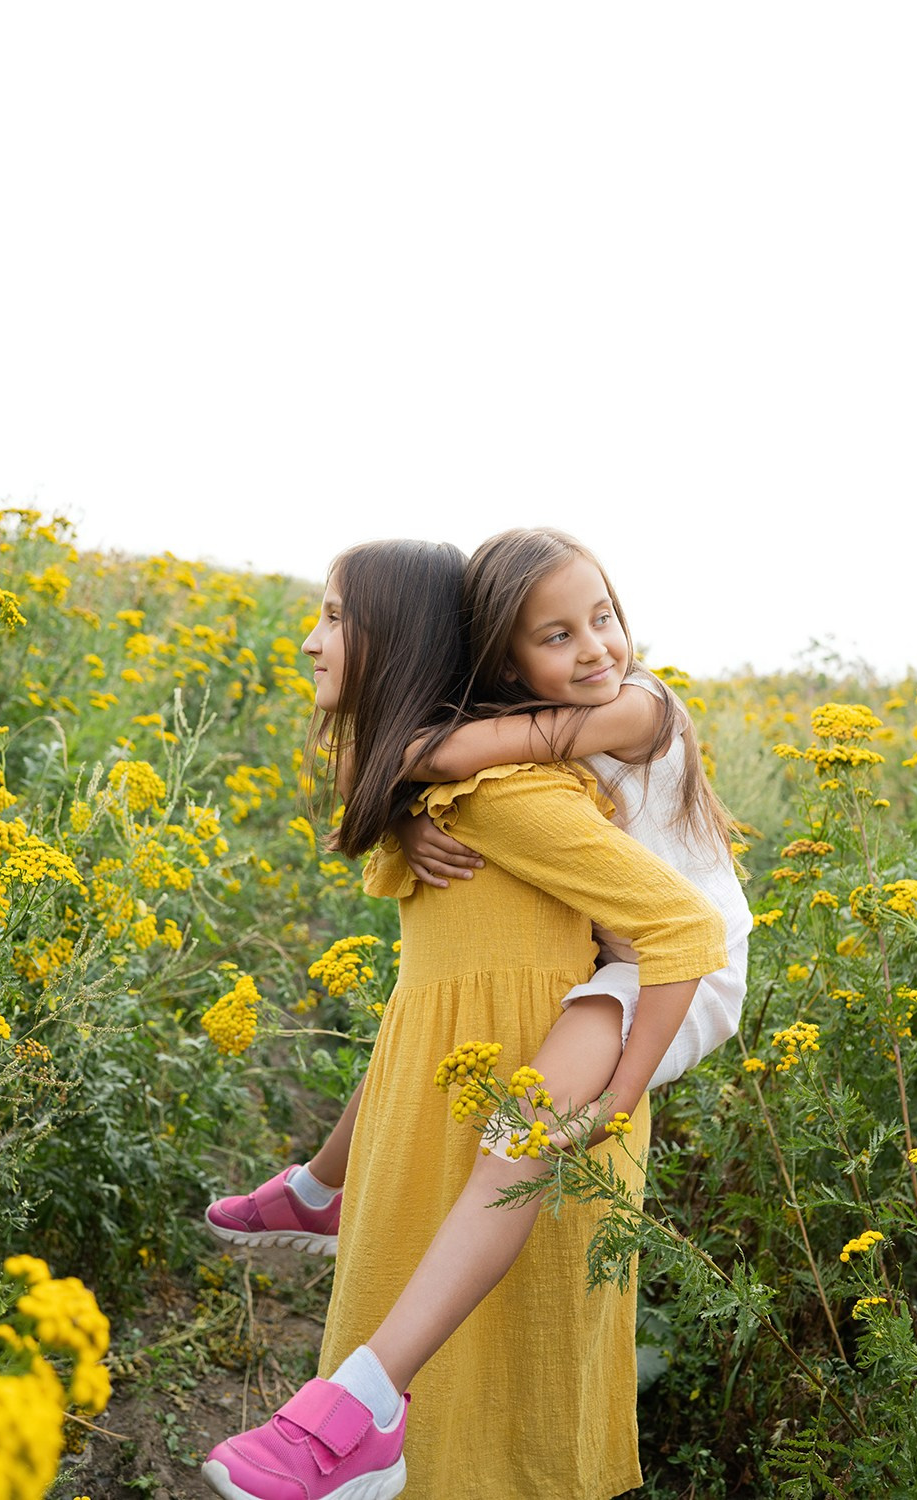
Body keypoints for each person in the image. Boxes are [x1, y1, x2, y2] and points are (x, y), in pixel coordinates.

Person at [201, 531, 729, 1500]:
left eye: (332, 616)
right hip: (632, 961)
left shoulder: (629, 711)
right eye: (559, 634)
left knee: (520, 1141)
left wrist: (620, 1087)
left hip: (673, 972)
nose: (310, 640)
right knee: (473, 1088)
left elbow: (681, 930)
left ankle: (364, 1401)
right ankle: (324, 1191)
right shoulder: (478, 781)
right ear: (509, 659)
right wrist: (405, 802)